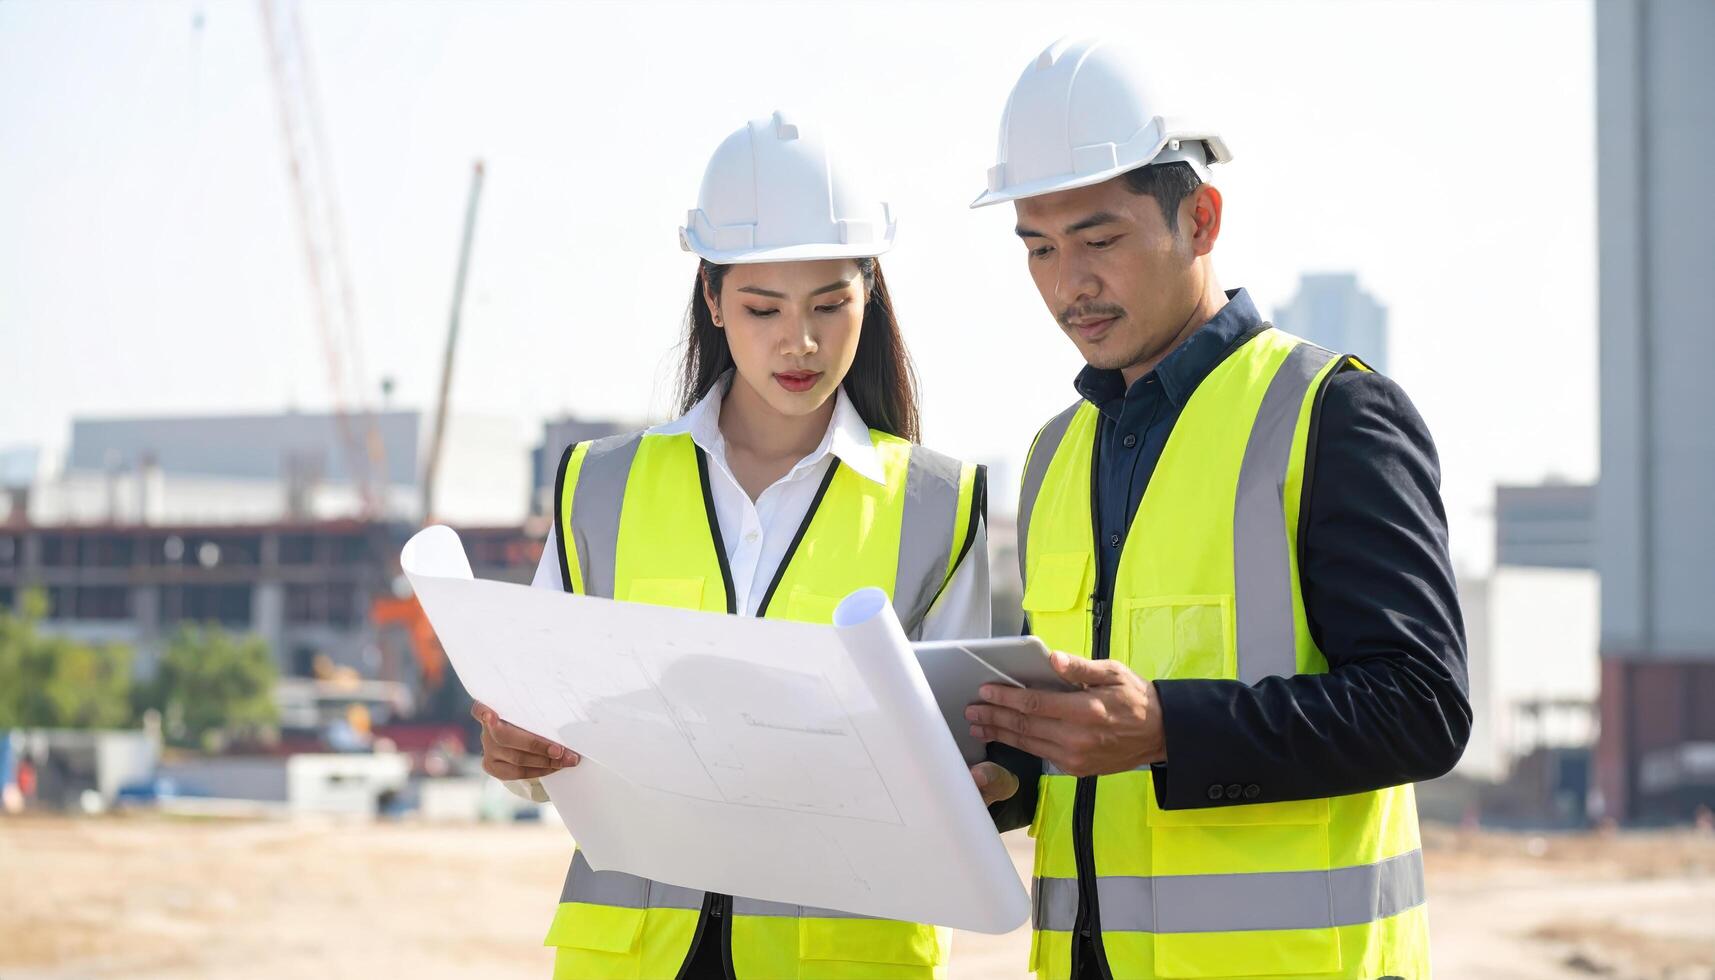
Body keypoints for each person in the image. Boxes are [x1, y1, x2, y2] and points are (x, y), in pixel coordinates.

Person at [962, 39, 1470, 979]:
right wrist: (1002, 776)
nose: (1066, 283)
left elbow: (1422, 707)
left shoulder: (1332, 413)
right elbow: (1084, 737)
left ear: (1200, 219)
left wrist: (1167, 730)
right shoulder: (1051, 455)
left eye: (1099, 240)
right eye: (1038, 247)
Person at [473, 111, 1014, 979]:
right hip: (633, 955)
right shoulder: (600, 487)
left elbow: (962, 754)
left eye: (829, 305)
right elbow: (539, 742)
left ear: (868, 295)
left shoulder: (939, 505)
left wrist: (976, 783)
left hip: (841, 957)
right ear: (713, 300)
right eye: (763, 308)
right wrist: (513, 755)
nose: (798, 342)